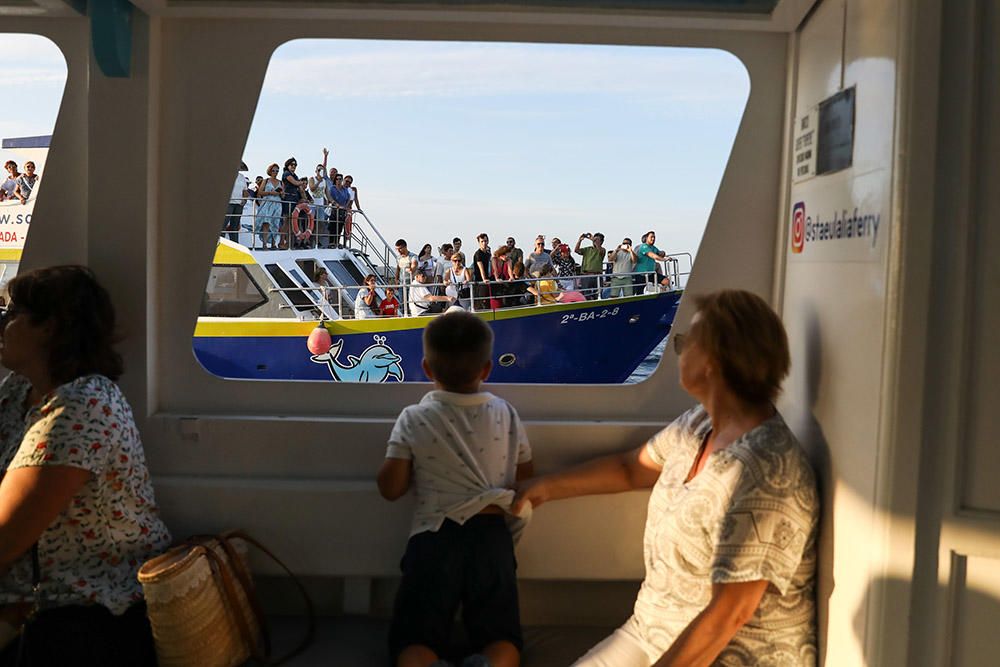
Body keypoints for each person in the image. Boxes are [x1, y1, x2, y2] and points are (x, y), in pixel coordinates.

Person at [513, 290, 818, 667]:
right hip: (651, 628)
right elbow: (632, 467)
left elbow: (730, 614)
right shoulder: (700, 423)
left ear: (714, 362)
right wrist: (542, 487)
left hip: (733, 655)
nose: (678, 349)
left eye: (686, 342)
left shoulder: (768, 470)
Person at [0, 265, 172, 667]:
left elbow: (6, 539)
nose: (2, 323)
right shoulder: (20, 392)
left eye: (12, 314)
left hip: (80, 615)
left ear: (49, 327)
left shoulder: (83, 405)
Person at [378, 311, 533, 667]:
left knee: (414, 640)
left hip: (435, 538)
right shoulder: (506, 413)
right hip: (491, 539)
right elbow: (525, 476)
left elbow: (392, 488)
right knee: (502, 639)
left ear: (427, 369)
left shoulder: (414, 417)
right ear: (487, 369)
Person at [280, 158, 307, 246]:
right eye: (292, 165)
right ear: (287, 165)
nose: (294, 167)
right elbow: (295, 183)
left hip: (294, 199)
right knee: (287, 221)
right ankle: (282, 242)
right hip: (288, 199)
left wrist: (304, 198)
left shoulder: (294, 175)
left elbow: (300, 188)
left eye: (295, 165)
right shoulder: (286, 174)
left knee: (292, 222)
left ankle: (288, 242)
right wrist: (301, 183)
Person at [257, 164, 284, 250]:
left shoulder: (281, 182)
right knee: (266, 222)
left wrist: (281, 193)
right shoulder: (266, 180)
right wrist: (270, 193)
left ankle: (273, 243)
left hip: (277, 204)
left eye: (277, 171)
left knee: (275, 223)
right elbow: (260, 192)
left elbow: (283, 196)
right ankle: (264, 244)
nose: (275, 172)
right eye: (273, 170)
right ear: (270, 171)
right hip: (267, 203)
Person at [224, 161, 250, 242]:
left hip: (239, 204)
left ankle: (235, 244)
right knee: (223, 224)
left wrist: (244, 200)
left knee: (235, 226)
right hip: (229, 203)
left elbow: (245, 190)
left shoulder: (242, 177)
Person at [574, 232, 606, 299]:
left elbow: (600, 251)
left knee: (597, 295)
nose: (595, 241)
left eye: (597, 240)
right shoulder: (587, 249)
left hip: (597, 275)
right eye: (595, 239)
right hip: (586, 275)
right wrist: (580, 240)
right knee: (586, 295)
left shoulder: (602, 250)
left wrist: (593, 239)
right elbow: (576, 250)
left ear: (602, 241)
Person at [307, 160, 330, 248]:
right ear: (316, 171)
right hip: (312, 205)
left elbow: (326, 192)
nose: (321, 171)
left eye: (322, 170)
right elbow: (312, 188)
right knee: (311, 223)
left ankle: (317, 241)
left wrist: (330, 201)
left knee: (320, 223)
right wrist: (318, 182)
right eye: (319, 170)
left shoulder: (324, 181)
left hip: (321, 205)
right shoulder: (312, 179)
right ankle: (309, 241)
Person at [472, 233, 492, 311]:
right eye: (482, 241)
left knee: (485, 301)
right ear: (479, 242)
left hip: (487, 280)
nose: (484, 243)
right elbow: (481, 268)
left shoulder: (487, 254)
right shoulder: (478, 254)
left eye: (485, 241)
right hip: (479, 281)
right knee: (478, 302)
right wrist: (484, 279)